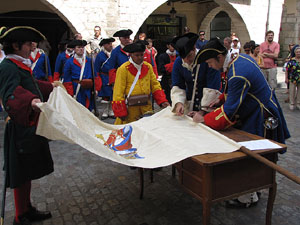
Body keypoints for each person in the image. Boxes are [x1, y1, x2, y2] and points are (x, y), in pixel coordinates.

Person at [189, 38, 290, 207]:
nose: (209, 66)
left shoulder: (237, 74)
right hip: (257, 111)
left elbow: (228, 113)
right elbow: (234, 91)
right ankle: (253, 191)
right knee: (255, 157)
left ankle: (247, 197)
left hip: (261, 116)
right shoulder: (241, 59)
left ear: (220, 58)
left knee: (251, 157)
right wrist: (221, 99)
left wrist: (203, 119)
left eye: (210, 62)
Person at [0, 26, 59, 225]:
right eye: (28, 44)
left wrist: (51, 87)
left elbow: (31, 85)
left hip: (30, 125)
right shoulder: (8, 66)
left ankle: (27, 208)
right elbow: (11, 92)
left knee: (27, 172)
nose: (31, 48)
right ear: (16, 46)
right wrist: (31, 101)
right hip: (20, 127)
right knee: (20, 173)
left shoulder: (20, 64)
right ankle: (20, 215)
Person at [112, 40, 170, 125]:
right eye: (137, 55)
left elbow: (155, 85)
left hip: (146, 107)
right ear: (131, 55)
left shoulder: (148, 67)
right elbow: (118, 91)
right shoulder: (123, 69)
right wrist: (121, 111)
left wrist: (162, 100)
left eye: (141, 55)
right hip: (130, 110)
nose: (139, 57)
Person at [171, 33, 221, 115]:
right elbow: (178, 85)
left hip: (210, 104)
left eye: (189, 56)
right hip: (190, 104)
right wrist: (179, 103)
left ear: (194, 49)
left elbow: (213, 86)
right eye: (184, 58)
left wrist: (203, 111)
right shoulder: (178, 62)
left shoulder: (208, 60)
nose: (187, 60)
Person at [63, 39, 102, 111]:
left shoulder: (89, 60)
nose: (81, 49)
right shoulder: (69, 62)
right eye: (78, 47)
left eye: (82, 47)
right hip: (76, 89)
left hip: (88, 88)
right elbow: (67, 79)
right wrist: (70, 93)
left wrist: (96, 88)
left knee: (88, 108)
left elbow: (95, 75)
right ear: (74, 49)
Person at [94, 37, 115, 119]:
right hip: (104, 77)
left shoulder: (113, 54)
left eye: (111, 44)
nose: (110, 45)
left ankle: (111, 111)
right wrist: (98, 78)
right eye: (108, 44)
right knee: (105, 96)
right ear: (104, 45)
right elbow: (96, 68)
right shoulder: (100, 55)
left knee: (112, 95)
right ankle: (105, 111)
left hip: (112, 76)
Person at [157, 39, 177, 103]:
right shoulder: (162, 56)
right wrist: (171, 66)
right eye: (171, 45)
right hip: (167, 80)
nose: (173, 47)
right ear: (167, 46)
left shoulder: (178, 56)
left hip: (176, 80)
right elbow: (160, 68)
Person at [285, 46, 300, 110]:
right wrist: (286, 78)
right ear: (295, 53)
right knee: (292, 91)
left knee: (299, 92)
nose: (298, 53)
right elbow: (287, 69)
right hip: (292, 78)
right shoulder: (291, 60)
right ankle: (292, 103)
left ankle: (298, 103)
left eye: (299, 52)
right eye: (297, 52)